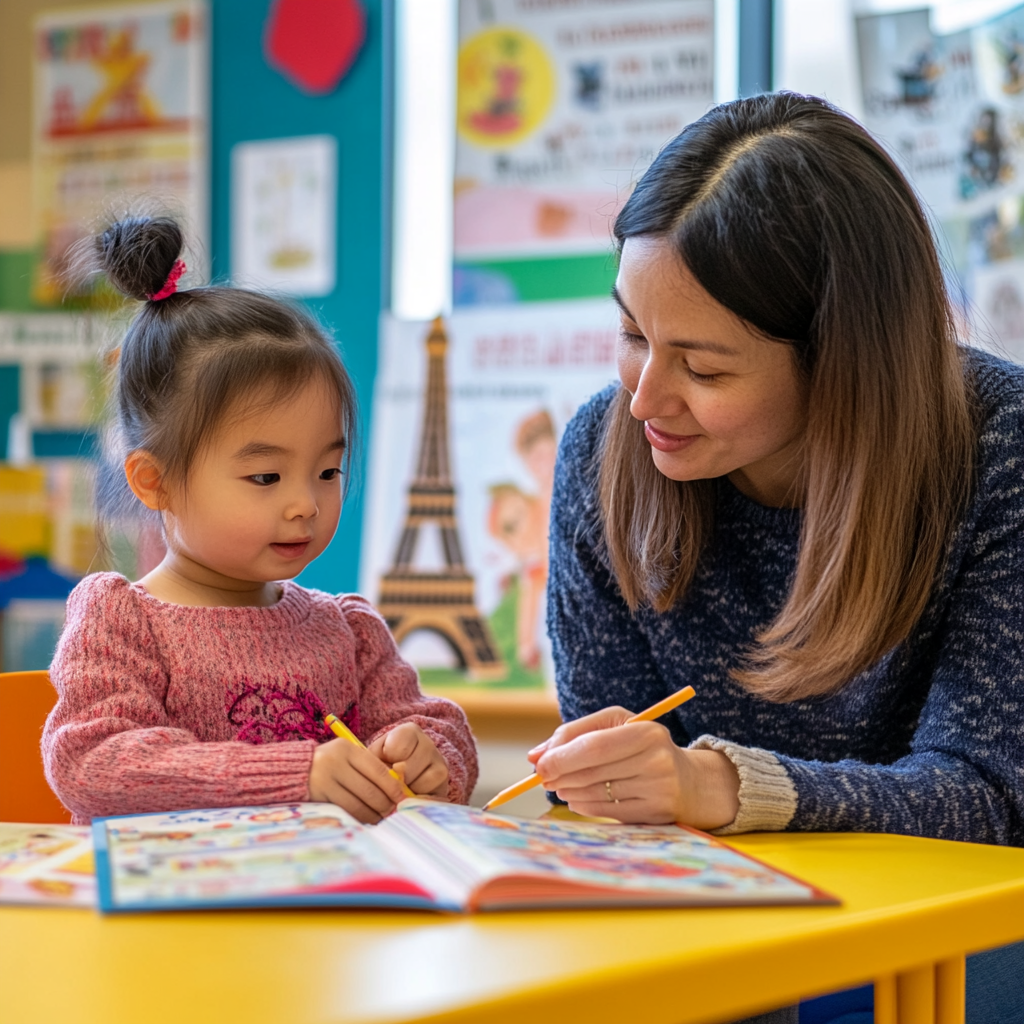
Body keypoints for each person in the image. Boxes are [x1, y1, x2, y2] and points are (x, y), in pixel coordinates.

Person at [532, 93, 1022, 1023]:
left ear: (843, 360)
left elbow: (994, 800)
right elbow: (616, 784)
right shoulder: (604, 450)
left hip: (941, 936)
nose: (644, 400)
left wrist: (719, 784)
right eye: (633, 336)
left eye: (704, 369)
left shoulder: (999, 445)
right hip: (710, 927)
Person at [42, 216, 478, 826]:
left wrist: (433, 757)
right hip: (177, 912)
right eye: (266, 478)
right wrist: (297, 775)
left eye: (328, 472)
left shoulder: (349, 630)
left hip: (325, 906)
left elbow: (432, 723)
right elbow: (93, 763)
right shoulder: (122, 621)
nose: (306, 503)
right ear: (155, 481)